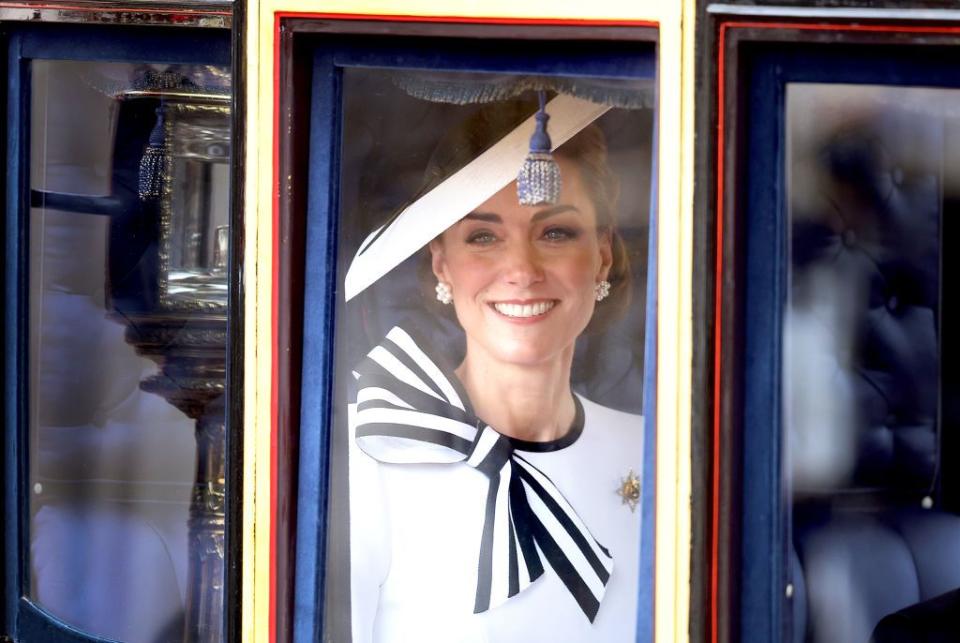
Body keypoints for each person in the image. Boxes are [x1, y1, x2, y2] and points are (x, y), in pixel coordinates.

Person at [345, 92, 645, 642]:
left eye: (555, 232)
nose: (521, 270)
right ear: (442, 263)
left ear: (602, 254)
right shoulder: (366, 454)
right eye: (483, 237)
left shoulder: (656, 455)